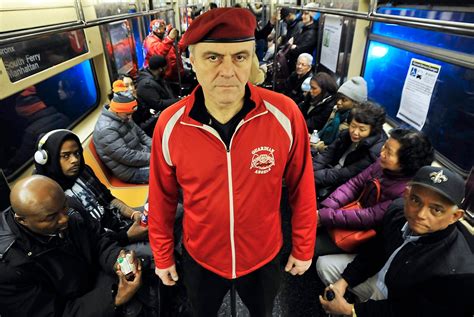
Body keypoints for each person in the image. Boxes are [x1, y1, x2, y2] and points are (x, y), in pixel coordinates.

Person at [148, 7, 317, 317]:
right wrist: (162, 253)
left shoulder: (284, 114)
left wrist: (304, 245)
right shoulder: (171, 125)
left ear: (252, 60)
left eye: (239, 57)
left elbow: (302, 185)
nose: (228, 71)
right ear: (193, 61)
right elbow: (161, 197)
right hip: (202, 256)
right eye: (213, 57)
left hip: (263, 255)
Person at [317, 166, 474, 317]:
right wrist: (344, 281)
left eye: (436, 209)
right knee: (324, 266)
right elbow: (375, 251)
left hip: (403, 303)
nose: (420, 214)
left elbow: (410, 311)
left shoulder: (455, 271)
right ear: (406, 195)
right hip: (385, 278)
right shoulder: (397, 212)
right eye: (415, 200)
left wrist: (351, 310)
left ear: (455, 217)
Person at [0, 175, 142, 317]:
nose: (65, 218)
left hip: (96, 284)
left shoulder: (66, 207)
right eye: (51, 217)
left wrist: (117, 259)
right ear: (22, 220)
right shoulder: (9, 268)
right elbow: (51, 313)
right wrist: (114, 299)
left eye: (64, 207)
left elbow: (98, 241)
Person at [315, 128, 434, 255]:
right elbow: (354, 184)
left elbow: (370, 217)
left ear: (406, 163)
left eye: (389, 152)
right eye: (384, 147)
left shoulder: (406, 192)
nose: (382, 153)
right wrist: (327, 207)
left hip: (363, 234)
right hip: (349, 213)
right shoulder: (381, 164)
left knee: (312, 245)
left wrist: (325, 216)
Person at [33, 129, 151, 256]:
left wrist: (133, 214)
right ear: (47, 158)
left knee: (170, 212)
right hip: (108, 246)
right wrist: (127, 236)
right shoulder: (49, 195)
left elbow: (109, 199)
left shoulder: (83, 171)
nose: (75, 160)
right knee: (157, 249)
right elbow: (87, 243)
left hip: (118, 223)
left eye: (77, 153)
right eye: (66, 155)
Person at [313, 102, 387, 200]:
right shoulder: (346, 134)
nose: (355, 132)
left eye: (362, 129)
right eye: (353, 126)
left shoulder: (374, 150)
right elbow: (327, 154)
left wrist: (312, 176)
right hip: (330, 172)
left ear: (373, 130)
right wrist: (310, 169)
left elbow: (345, 174)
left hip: (344, 185)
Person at [93, 80, 151, 184]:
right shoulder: (106, 130)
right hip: (130, 171)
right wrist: (155, 156)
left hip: (142, 156)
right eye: (127, 114)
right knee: (169, 171)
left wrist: (157, 148)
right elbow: (127, 156)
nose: (130, 117)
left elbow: (141, 135)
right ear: (116, 111)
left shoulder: (124, 116)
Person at [7, 86, 70, 173]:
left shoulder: (31, 132)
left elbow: (21, 160)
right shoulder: (61, 117)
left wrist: (9, 165)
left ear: (26, 113)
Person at [313, 76, 368, 152]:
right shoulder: (336, 110)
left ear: (356, 103)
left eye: (344, 100)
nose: (339, 102)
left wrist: (319, 146)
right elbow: (324, 129)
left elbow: (337, 149)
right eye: (338, 98)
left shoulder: (353, 122)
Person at [136, 55, 179, 135]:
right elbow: (158, 104)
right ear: (160, 69)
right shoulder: (147, 84)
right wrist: (179, 101)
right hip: (154, 120)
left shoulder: (156, 77)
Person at [286, 2, 318, 72]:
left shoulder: (311, 33)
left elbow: (298, 50)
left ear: (312, 16)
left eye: (306, 14)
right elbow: (292, 39)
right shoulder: (304, 28)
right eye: (303, 13)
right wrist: (292, 45)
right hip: (295, 64)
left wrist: (291, 46)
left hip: (302, 67)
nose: (302, 16)